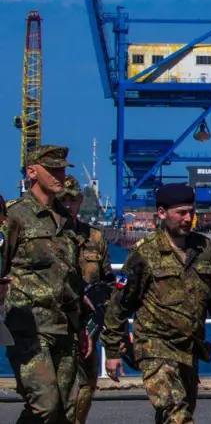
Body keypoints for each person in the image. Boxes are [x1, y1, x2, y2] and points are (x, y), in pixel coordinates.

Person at [101, 183, 211, 424]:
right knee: (177, 415)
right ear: (162, 213)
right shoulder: (145, 253)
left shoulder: (203, 249)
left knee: (176, 413)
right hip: (155, 347)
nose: (188, 218)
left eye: (191, 212)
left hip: (189, 349)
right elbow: (120, 303)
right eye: (181, 213)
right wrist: (112, 350)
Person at [2, 145, 85, 424]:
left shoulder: (66, 219)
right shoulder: (15, 215)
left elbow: (72, 275)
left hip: (65, 325)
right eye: (52, 170)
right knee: (45, 404)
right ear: (32, 172)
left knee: (66, 410)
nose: (59, 175)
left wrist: (82, 326)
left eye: (62, 169)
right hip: (29, 325)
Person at [58, 175, 112, 424]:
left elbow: (108, 282)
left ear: (80, 201)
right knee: (53, 393)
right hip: (56, 324)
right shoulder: (48, 238)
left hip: (88, 326)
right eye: (63, 200)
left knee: (86, 388)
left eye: (73, 200)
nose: (68, 205)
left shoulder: (95, 238)